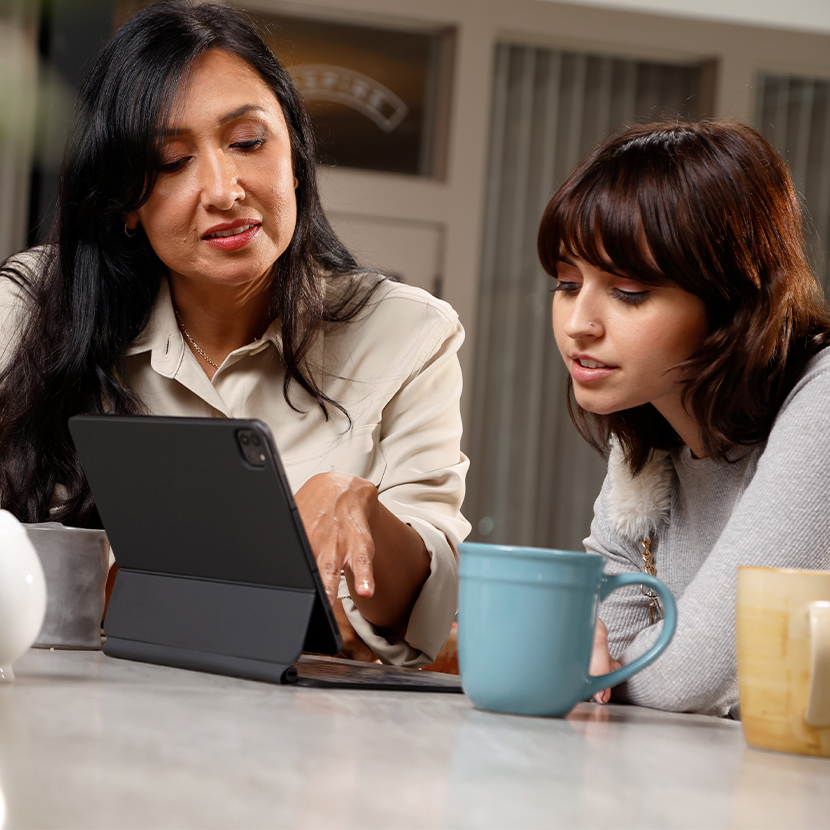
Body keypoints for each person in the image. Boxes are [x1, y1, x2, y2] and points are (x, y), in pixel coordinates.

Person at [0, 0, 469, 667]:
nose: (224, 190)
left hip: (299, 745)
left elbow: (424, 611)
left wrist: (359, 513)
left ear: (296, 156)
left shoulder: (406, 333)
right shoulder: (30, 309)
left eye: (248, 143)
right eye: (170, 162)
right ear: (127, 204)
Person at [538, 120, 830, 715]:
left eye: (630, 292)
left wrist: (598, 670)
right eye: (568, 284)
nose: (579, 323)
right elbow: (601, 637)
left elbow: (688, 677)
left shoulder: (821, 399)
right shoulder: (649, 431)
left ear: (731, 299)